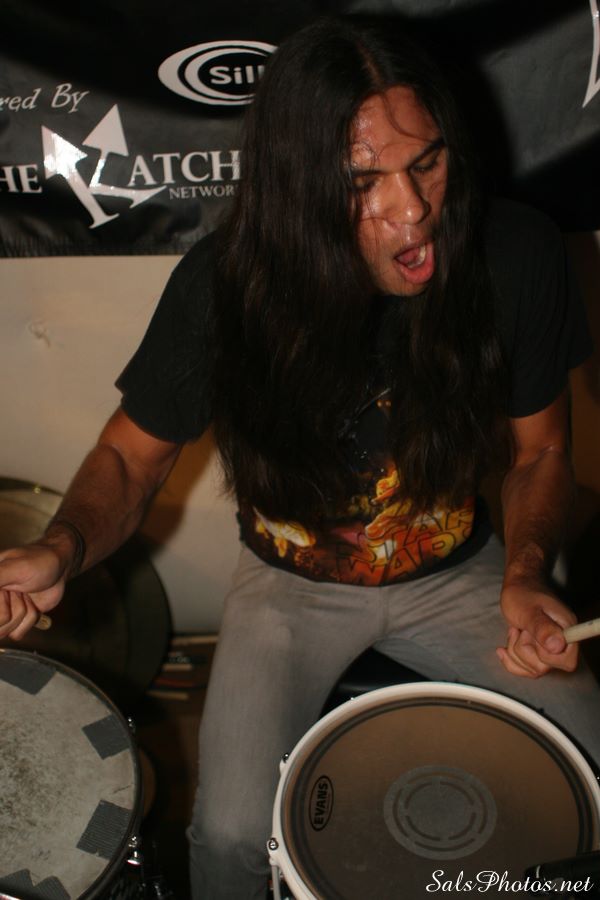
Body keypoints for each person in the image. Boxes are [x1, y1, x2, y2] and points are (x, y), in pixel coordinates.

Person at [0, 16, 598, 899]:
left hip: (461, 570)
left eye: (427, 163)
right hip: (290, 584)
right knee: (230, 838)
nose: (412, 210)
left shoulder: (516, 252)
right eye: (363, 183)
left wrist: (526, 569)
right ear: (298, 186)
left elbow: (540, 450)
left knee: (589, 759)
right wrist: (62, 547)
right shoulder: (226, 285)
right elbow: (129, 460)